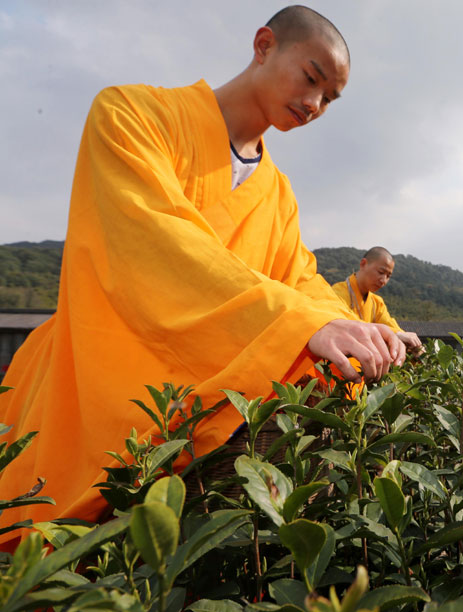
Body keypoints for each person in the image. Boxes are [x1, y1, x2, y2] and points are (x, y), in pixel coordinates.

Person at [0, 6, 406, 544]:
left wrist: (359, 331)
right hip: (90, 377)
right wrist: (292, 322)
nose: (314, 104)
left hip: (210, 413)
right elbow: (155, 246)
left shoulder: (279, 195)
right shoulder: (131, 114)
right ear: (264, 44)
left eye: (329, 98)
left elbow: (300, 280)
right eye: (311, 78)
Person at [331, 247, 423, 354]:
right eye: (381, 272)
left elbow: (391, 327)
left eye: (388, 276)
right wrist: (394, 334)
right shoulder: (337, 293)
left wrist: (411, 343)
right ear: (363, 264)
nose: (383, 280)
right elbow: (345, 325)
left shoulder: (377, 303)